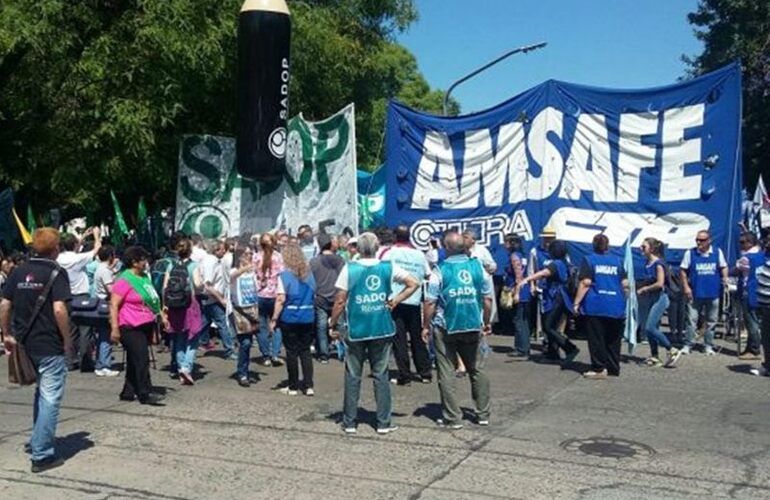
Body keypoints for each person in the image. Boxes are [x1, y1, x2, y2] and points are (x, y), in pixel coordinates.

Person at [328, 232, 418, 434]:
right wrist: (396, 300)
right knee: (381, 374)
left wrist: (332, 322)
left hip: (357, 328)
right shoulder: (388, 267)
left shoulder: (349, 269)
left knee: (353, 374)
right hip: (381, 326)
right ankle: (383, 421)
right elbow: (414, 283)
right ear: (377, 248)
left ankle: (350, 421)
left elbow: (340, 300)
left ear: (358, 249)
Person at [0, 228, 72, 473]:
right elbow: (60, 309)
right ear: (55, 249)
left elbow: (4, 304)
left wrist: (6, 334)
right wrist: (67, 339)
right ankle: (42, 455)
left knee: (41, 395)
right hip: (49, 343)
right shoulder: (56, 273)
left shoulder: (18, 271)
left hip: (24, 343)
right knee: (50, 397)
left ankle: (37, 440)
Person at [422, 231, 493, 429]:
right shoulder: (478, 267)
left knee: (446, 371)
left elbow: (430, 301)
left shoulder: (440, 270)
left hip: (445, 326)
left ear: (446, 248)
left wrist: (425, 326)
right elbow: (487, 299)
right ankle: (482, 413)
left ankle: (453, 417)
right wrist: (486, 321)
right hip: (472, 323)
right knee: (477, 369)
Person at [110, 246, 164, 406]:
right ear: (134, 262)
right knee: (141, 358)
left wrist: (160, 315)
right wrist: (114, 328)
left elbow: (152, 299)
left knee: (135, 360)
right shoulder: (124, 280)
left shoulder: (144, 277)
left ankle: (128, 391)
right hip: (129, 325)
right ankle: (144, 392)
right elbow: (114, 305)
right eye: (143, 260)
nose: (146, 262)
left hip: (145, 323)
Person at [571, 234, 629, 379]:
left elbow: (585, 283)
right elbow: (625, 284)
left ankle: (598, 368)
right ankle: (613, 367)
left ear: (593, 245)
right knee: (613, 339)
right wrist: (624, 300)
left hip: (596, 304)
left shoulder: (589, 260)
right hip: (616, 304)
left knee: (597, 338)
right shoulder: (618, 261)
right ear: (607, 246)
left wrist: (576, 303)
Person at [383, 224, 432, 385]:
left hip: (395, 299)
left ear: (395, 237)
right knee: (417, 337)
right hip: (414, 298)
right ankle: (425, 372)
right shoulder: (419, 254)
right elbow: (427, 273)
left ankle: (405, 374)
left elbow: (383, 271)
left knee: (399, 339)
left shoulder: (390, 253)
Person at [517, 240, 580, 365]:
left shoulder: (556, 264)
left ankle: (570, 348)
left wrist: (527, 279)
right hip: (558, 296)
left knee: (548, 326)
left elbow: (544, 273)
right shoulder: (565, 262)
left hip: (556, 296)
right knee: (551, 325)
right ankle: (553, 353)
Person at [271, 244, 317, 395]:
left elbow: (280, 299)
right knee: (305, 352)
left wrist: (274, 318)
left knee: (291, 352)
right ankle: (309, 385)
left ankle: (293, 386)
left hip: (290, 318)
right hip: (308, 316)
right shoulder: (310, 275)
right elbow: (314, 294)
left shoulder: (284, 276)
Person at [57, 226, 102, 371]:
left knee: (70, 330)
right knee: (85, 330)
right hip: (81, 296)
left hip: (65, 296)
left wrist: (81, 238)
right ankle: (85, 362)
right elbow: (97, 249)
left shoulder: (58, 258)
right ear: (75, 245)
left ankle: (70, 361)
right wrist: (96, 236)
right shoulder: (79, 258)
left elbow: (73, 250)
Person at [679, 230, 729, 355]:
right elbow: (683, 271)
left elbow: (723, 266)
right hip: (695, 293)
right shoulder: (690, 253)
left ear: (709, 240)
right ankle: (688, 344)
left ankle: (708, 345)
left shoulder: (717, 252)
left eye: (702, 240)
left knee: (711, 321)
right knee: (691, 320)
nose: (698, 242)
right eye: (697, 240)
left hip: (713, 293)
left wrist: (725, 278)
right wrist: (686, 287)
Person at [162, 238, 203, 386]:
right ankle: (186, 367)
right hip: (189, 304)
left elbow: (165, 286)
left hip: (173, 305)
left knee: (178, 337)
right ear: (190, 250)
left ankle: (180, 368)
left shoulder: (171, 265)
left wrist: (165, 305)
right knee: (192, 338)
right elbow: (198, 285)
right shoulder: (194, 266)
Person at [635, 238, 681, 368]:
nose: (641, 249)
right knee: (650, 329)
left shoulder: (658, 264)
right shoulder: (647, 263)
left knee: (650, 327)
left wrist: (645, 289)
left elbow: (660, 283)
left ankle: (671, 349)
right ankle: (654, 356)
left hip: (660, 298)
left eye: (644, 247)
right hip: (650, 297)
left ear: (652, 249)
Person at [309, 233, 345, 363]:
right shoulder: (340, 260)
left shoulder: (313, 262)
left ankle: (324, 355)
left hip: (320, 297)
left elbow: (309, 280)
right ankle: (345, 352)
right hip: (338, 296)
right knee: (340, 325)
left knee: (321, 326)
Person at [198, 239, 235, 359]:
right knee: (223, 324)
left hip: (211, 299)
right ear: (216, 249)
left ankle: (193, 342)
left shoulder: (214, 261)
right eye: (222, 248)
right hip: (213, 299)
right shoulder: (211, 262)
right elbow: (208, 285)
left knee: (204, 322)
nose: (225, 251)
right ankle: (229, 349)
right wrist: (221, 298)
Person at [229, 246, 259, 387]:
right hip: (240, 311)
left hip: (252, 309)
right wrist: (244, 269)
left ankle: (244, 370)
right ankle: (242, 373)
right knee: (245, 343)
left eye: (251, 253)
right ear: (240, 256)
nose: (250, 256)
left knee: (249, 342)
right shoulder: (234, 271)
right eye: (247, 254)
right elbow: (231, 277)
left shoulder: (253, 271)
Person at [254, 233, 285, 366]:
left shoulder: (256, 257)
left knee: (261, 326)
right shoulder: (278, 257)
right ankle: (275, 354)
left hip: (260, 295)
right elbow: (282, 275)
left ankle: (265, 355)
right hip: (275, 295)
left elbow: (253, 275)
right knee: (277, 324)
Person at [735, 232, 764, 359]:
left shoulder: (746, 258)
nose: (740, 245)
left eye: (742, 242)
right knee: (757, 321)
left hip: (749, 291)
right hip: (762, 291)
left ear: (750, 243)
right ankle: (750, 348)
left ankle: (755, 350)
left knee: (751, 322)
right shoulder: (763, 255)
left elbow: (735, 269)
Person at [93, 246, 120, 377]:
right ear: (110, 256)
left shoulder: (101, 268)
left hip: (99, 302)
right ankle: (104, 365)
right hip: (105, 303)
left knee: (102, 335)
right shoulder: (105, 270)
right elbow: (111, 289)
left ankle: (100, 363)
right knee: (106, 335)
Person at [504, 234, 531, 358]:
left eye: (506, 242)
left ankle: (521, 348)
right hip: (524, 289)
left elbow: (518, 275)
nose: (504, 245)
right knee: (523, 320)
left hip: (518, 290)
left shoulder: (514, 257)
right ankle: (523, 346)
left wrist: (517, 293)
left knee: (519, 320)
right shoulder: (523, 256)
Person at [752, 241, 770, 376]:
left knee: (767, 337)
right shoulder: (766, 258)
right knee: (766, 337)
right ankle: (767, 366)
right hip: (765, 305)